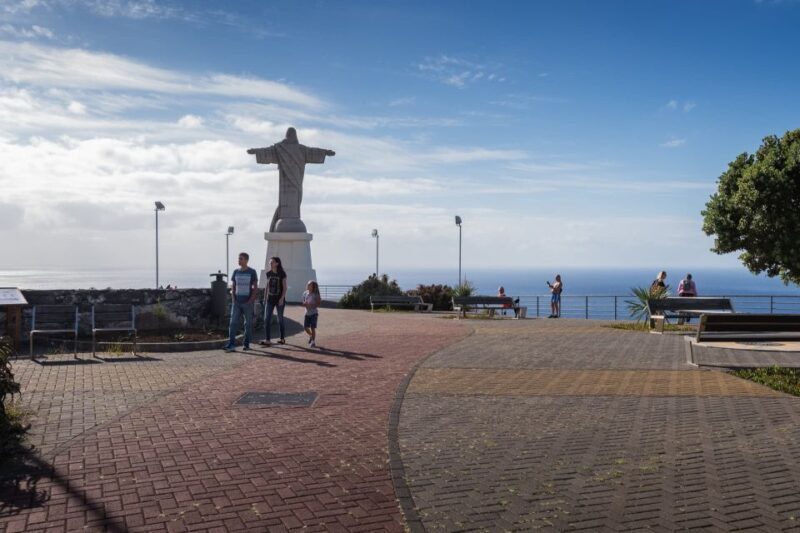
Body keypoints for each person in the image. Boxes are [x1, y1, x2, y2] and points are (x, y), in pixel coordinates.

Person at [223, 252, 258, 352]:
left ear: (246, 260)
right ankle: (231, 344)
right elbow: (233, 286)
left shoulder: (252, 272)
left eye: (241, 259)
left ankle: (246, 344)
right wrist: (233, 298)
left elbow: (255, 288)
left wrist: (250, 301)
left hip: (248, 303)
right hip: (237, 303)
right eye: (239, 258)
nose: (239, 260)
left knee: (248, 324)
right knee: (233, 323)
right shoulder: (235, 272)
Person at [259, 256, 288, 346]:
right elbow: (267, 287)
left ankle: (282, 338)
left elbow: (285, 288)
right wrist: (264, 298)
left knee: (280, 319)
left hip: (279, 300)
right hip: (269, 300)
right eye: (270, 263)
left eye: (272, 262)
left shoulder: (282, 274)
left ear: (277, 263)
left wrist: (281, 298)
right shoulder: (268, 274)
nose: (270, 264)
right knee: (266, 319)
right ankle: (268, 340)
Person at [302, 280, 321, 348]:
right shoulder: (305, 293)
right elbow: (303, 302)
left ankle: (313, 342)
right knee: (305, 327)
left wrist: (312, 306)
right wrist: (305, 304)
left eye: (309, 285)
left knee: (313, 327)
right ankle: (311, 336)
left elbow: (319, 302)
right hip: (307, 313)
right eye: (308, 284)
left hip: (314, 313)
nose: (308, 285)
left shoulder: (315, 294)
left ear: (313, 287)